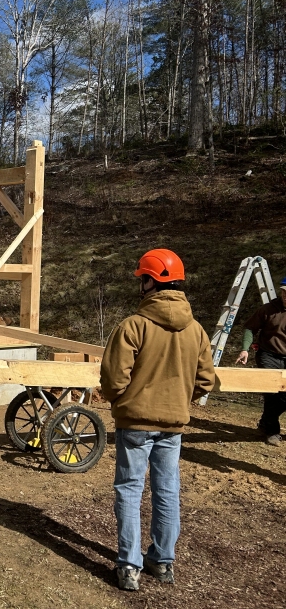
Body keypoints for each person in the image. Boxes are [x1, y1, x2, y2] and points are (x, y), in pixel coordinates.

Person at [100, 248, 215, 592]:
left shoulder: (133, 326)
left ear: (151, 282)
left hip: (134, 424)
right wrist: (179, 401)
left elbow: (113, 379)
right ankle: (162, 562)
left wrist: (122, 401)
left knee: (130, 490)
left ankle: (129, 566)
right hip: (173, 425)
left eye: (142, 278)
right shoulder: (197, 331)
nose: (140, 284)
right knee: (167, 491)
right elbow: (205, 381)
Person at [235, 276, 286, 446]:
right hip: (268, 356)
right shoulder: (268, 309)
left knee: (283, 397)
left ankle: (265, 422)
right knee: (272, 394)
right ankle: (272, 432)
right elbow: (250, 328)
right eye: (284, 292)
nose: (285, 296)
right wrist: (245, 349)